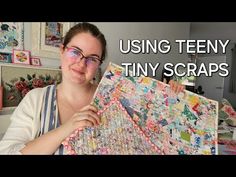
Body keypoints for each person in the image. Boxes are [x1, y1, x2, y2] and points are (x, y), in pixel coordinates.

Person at [0, 22, 184, 154]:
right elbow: (8, 151)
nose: (81, 63)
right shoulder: (35, 99)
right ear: (62, 50)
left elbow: (152, 138)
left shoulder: (114, 97)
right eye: (75, 52)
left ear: (98, 64)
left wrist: (172, 99)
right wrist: (68, 128)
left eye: (92, 58)